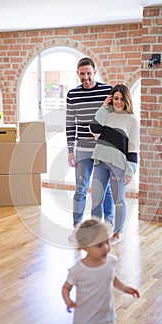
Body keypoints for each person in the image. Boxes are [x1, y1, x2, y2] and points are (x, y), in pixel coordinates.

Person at [62, 218, 140, 324]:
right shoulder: (78, 270)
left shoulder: (111, 262)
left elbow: (112, 279)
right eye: (99, 245)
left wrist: (126, 288)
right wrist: (68, 301)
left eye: (107, 242)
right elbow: (66, 288)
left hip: (107, 321)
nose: (106, 247)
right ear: (85, 246)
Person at [66, 57, 114, 239]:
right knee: (80, 188)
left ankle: (107, 228)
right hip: (83, 149)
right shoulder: (72, 94)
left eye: (88, 73)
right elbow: (70, 123)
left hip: (104, 149)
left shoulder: (107, 91)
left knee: (106, 189)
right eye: (81, 74)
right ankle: (77, 228)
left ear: (94, 72)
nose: (85, 77)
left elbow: (113, 120)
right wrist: (71, 150)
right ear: (77, 74)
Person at [90, 84, 139, 246]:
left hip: (118, 165)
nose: (118, 102)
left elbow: (133, 145)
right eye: (115, 98)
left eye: (121, 99)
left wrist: (130, 170)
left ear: (126, 100)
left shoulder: (131, 120)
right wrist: (104, 107)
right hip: (100, 162)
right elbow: (94, 128)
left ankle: (117, 234)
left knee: (119, 200)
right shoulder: (106, 114)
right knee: (96, 199)